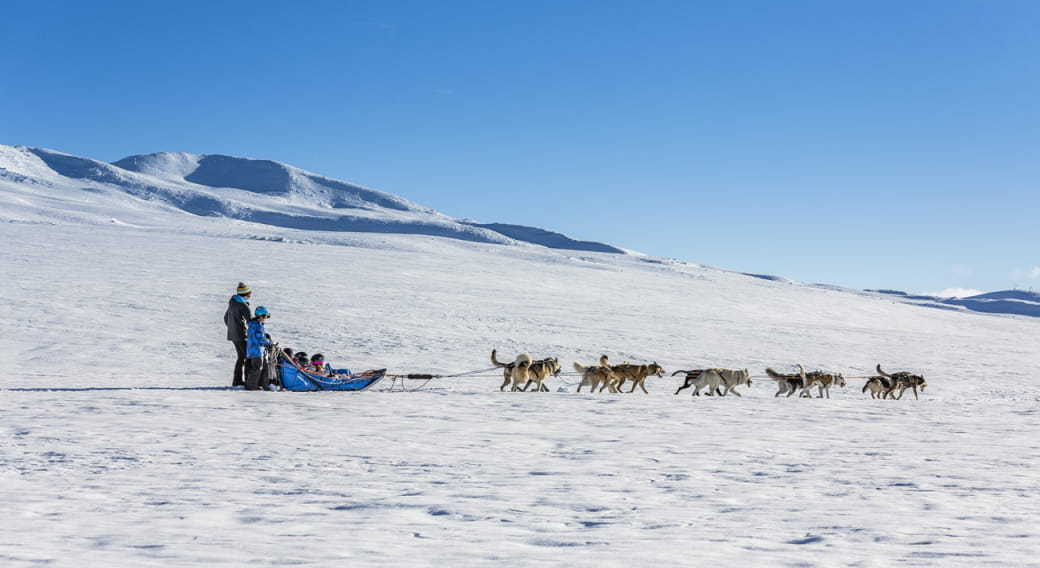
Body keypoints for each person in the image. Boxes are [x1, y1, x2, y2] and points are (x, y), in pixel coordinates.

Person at [223, 282, 252, 387]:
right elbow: (251, 321)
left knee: (241, 357)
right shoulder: (243, 305)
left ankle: (237, 381)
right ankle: (248, 381)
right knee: (247, 357)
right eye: (249, 294)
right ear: (246, 294)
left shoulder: (232, 303)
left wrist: (232, 329)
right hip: (241, 335)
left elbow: (226, 318)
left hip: (233, 335)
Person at [244, 306, 274, 391]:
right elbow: (260, 339)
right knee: (257, 368)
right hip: (257, 350)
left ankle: (262, 385)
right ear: (260, 316)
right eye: (264, 317)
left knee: (263, 367)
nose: (265, 319)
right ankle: (251, 387)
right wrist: (269, 343)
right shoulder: (258, 325)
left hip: (252, 350)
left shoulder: (252, 324)